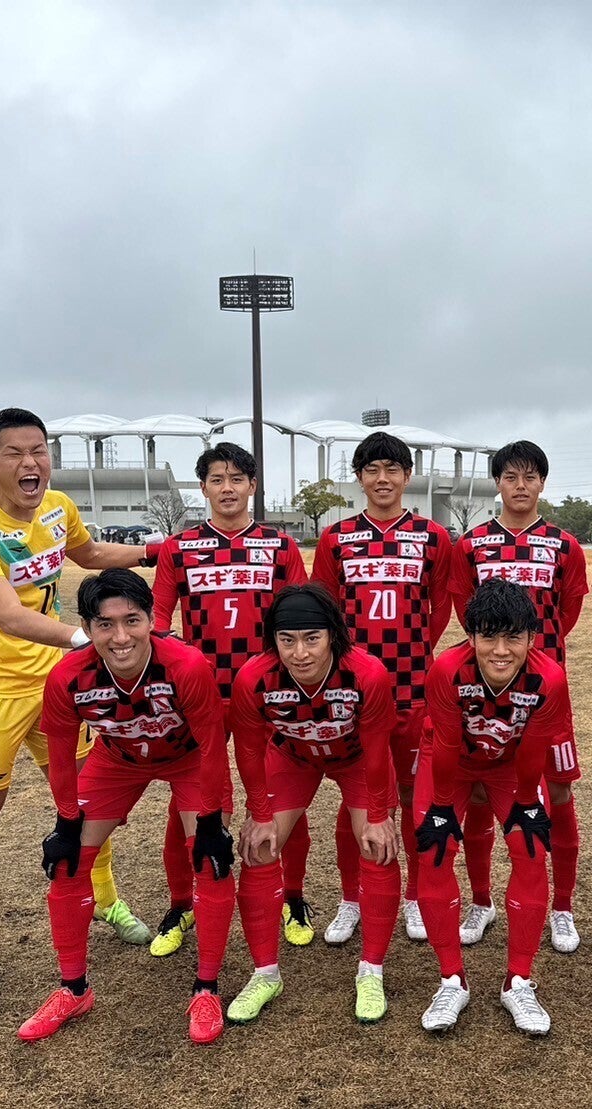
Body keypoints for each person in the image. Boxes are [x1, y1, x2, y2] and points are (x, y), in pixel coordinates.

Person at [0, 407, 159, 1001]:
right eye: (15, 453)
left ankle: (105, 900)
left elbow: (89, 554)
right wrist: (92, 640)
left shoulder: (57, 507)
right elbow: (8, 615)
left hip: (56, 686)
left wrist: (155, 552)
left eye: (39, 451)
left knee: (88, 796)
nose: (30, 464)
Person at [18, 569, 236, 1043]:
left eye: (131, 621)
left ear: (152, 620)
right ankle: (74, 989)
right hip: (117, 760)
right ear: (87, 628)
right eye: (105, 624)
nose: (120, 637)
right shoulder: (67, 677)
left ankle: (207, 988)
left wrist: (211, 820)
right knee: (67, 862)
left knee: (210, 858)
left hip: (189, 759)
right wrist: (65, 823)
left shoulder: (186, 665)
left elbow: (213, 746)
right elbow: (61, 758)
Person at [148, 442, 307, 959]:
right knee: (193, 801)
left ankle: (292, 897)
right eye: (217, 479)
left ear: (253, 486)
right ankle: (181, 903)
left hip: (269, 692)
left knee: (283, 795)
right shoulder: (179, 548)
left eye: (237, 478)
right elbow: (158, 622)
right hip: (203, 695)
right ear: (203, 488)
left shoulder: (281, 546)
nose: (228, 488)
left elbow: (302, 615)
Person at [225, 585, 400, 1023]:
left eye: (312, 638)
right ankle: (265, 974)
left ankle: (371, 970)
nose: (299, 653)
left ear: (333, 635)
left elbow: (378, 749)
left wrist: (379, 815)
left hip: (357, 759)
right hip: (293, 756)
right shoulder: (254, 677)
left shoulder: (367, 673)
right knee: (259, 848)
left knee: (376, 845)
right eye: (287, 640)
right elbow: (248, 750)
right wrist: (259, 814)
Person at [308, 431, 454, 945]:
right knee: (358, 797)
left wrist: (415, 652)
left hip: (413, 688)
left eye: (392, 469)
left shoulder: (433, 537)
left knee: (413, 797)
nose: (383, 478)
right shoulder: (336, 537)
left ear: (407, 475)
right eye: (372, 469)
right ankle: (352, 898)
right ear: (359, 477)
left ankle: (413, 896)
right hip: (350, 692)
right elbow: (323, 612)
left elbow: (440, 608)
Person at [449, 440, 588, 953]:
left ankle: (562, 907)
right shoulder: (471, 545)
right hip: (485, 690)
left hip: (546, 691)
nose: (521, 485)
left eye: (530, 476)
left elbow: (568, 611)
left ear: (543, 483)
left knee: (559, 793)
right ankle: (481, 900)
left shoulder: (564, 545)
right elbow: (466, 613)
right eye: (511, 476)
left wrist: (538, 655)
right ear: (498, 483)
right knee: (480, 792)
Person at [414, 579, 569, 1035]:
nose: (500, 651)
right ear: (471, 635)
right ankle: (452, 979)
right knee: (433, 850)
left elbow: (534, 746)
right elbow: (445, 742)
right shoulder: (447, 670)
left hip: (509, 764)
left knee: (530, 851)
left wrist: (527, 802)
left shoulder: (549, 678)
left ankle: (518, 979)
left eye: (513, 637)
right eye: (488, 637)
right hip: (451, 762)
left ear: (532, 637)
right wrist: (442, 806)